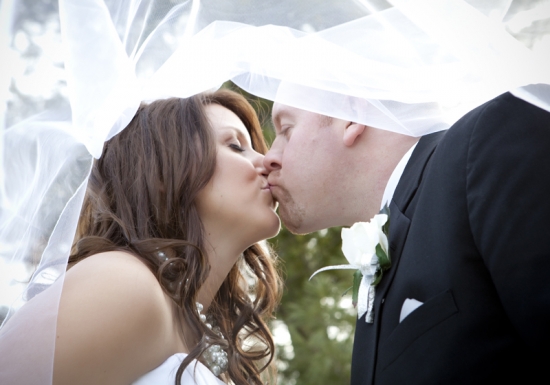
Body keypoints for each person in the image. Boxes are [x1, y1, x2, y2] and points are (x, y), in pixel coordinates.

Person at [263, 90, 550, 383]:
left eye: (286, 129)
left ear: (349, 117)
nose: (269, 157)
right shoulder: (388, 249)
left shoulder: (488, 141)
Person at [2, 89, 281, 385]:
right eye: (236, 146)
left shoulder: (195, 325)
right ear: (163, 172)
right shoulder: (125, 282)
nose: (267, 161)